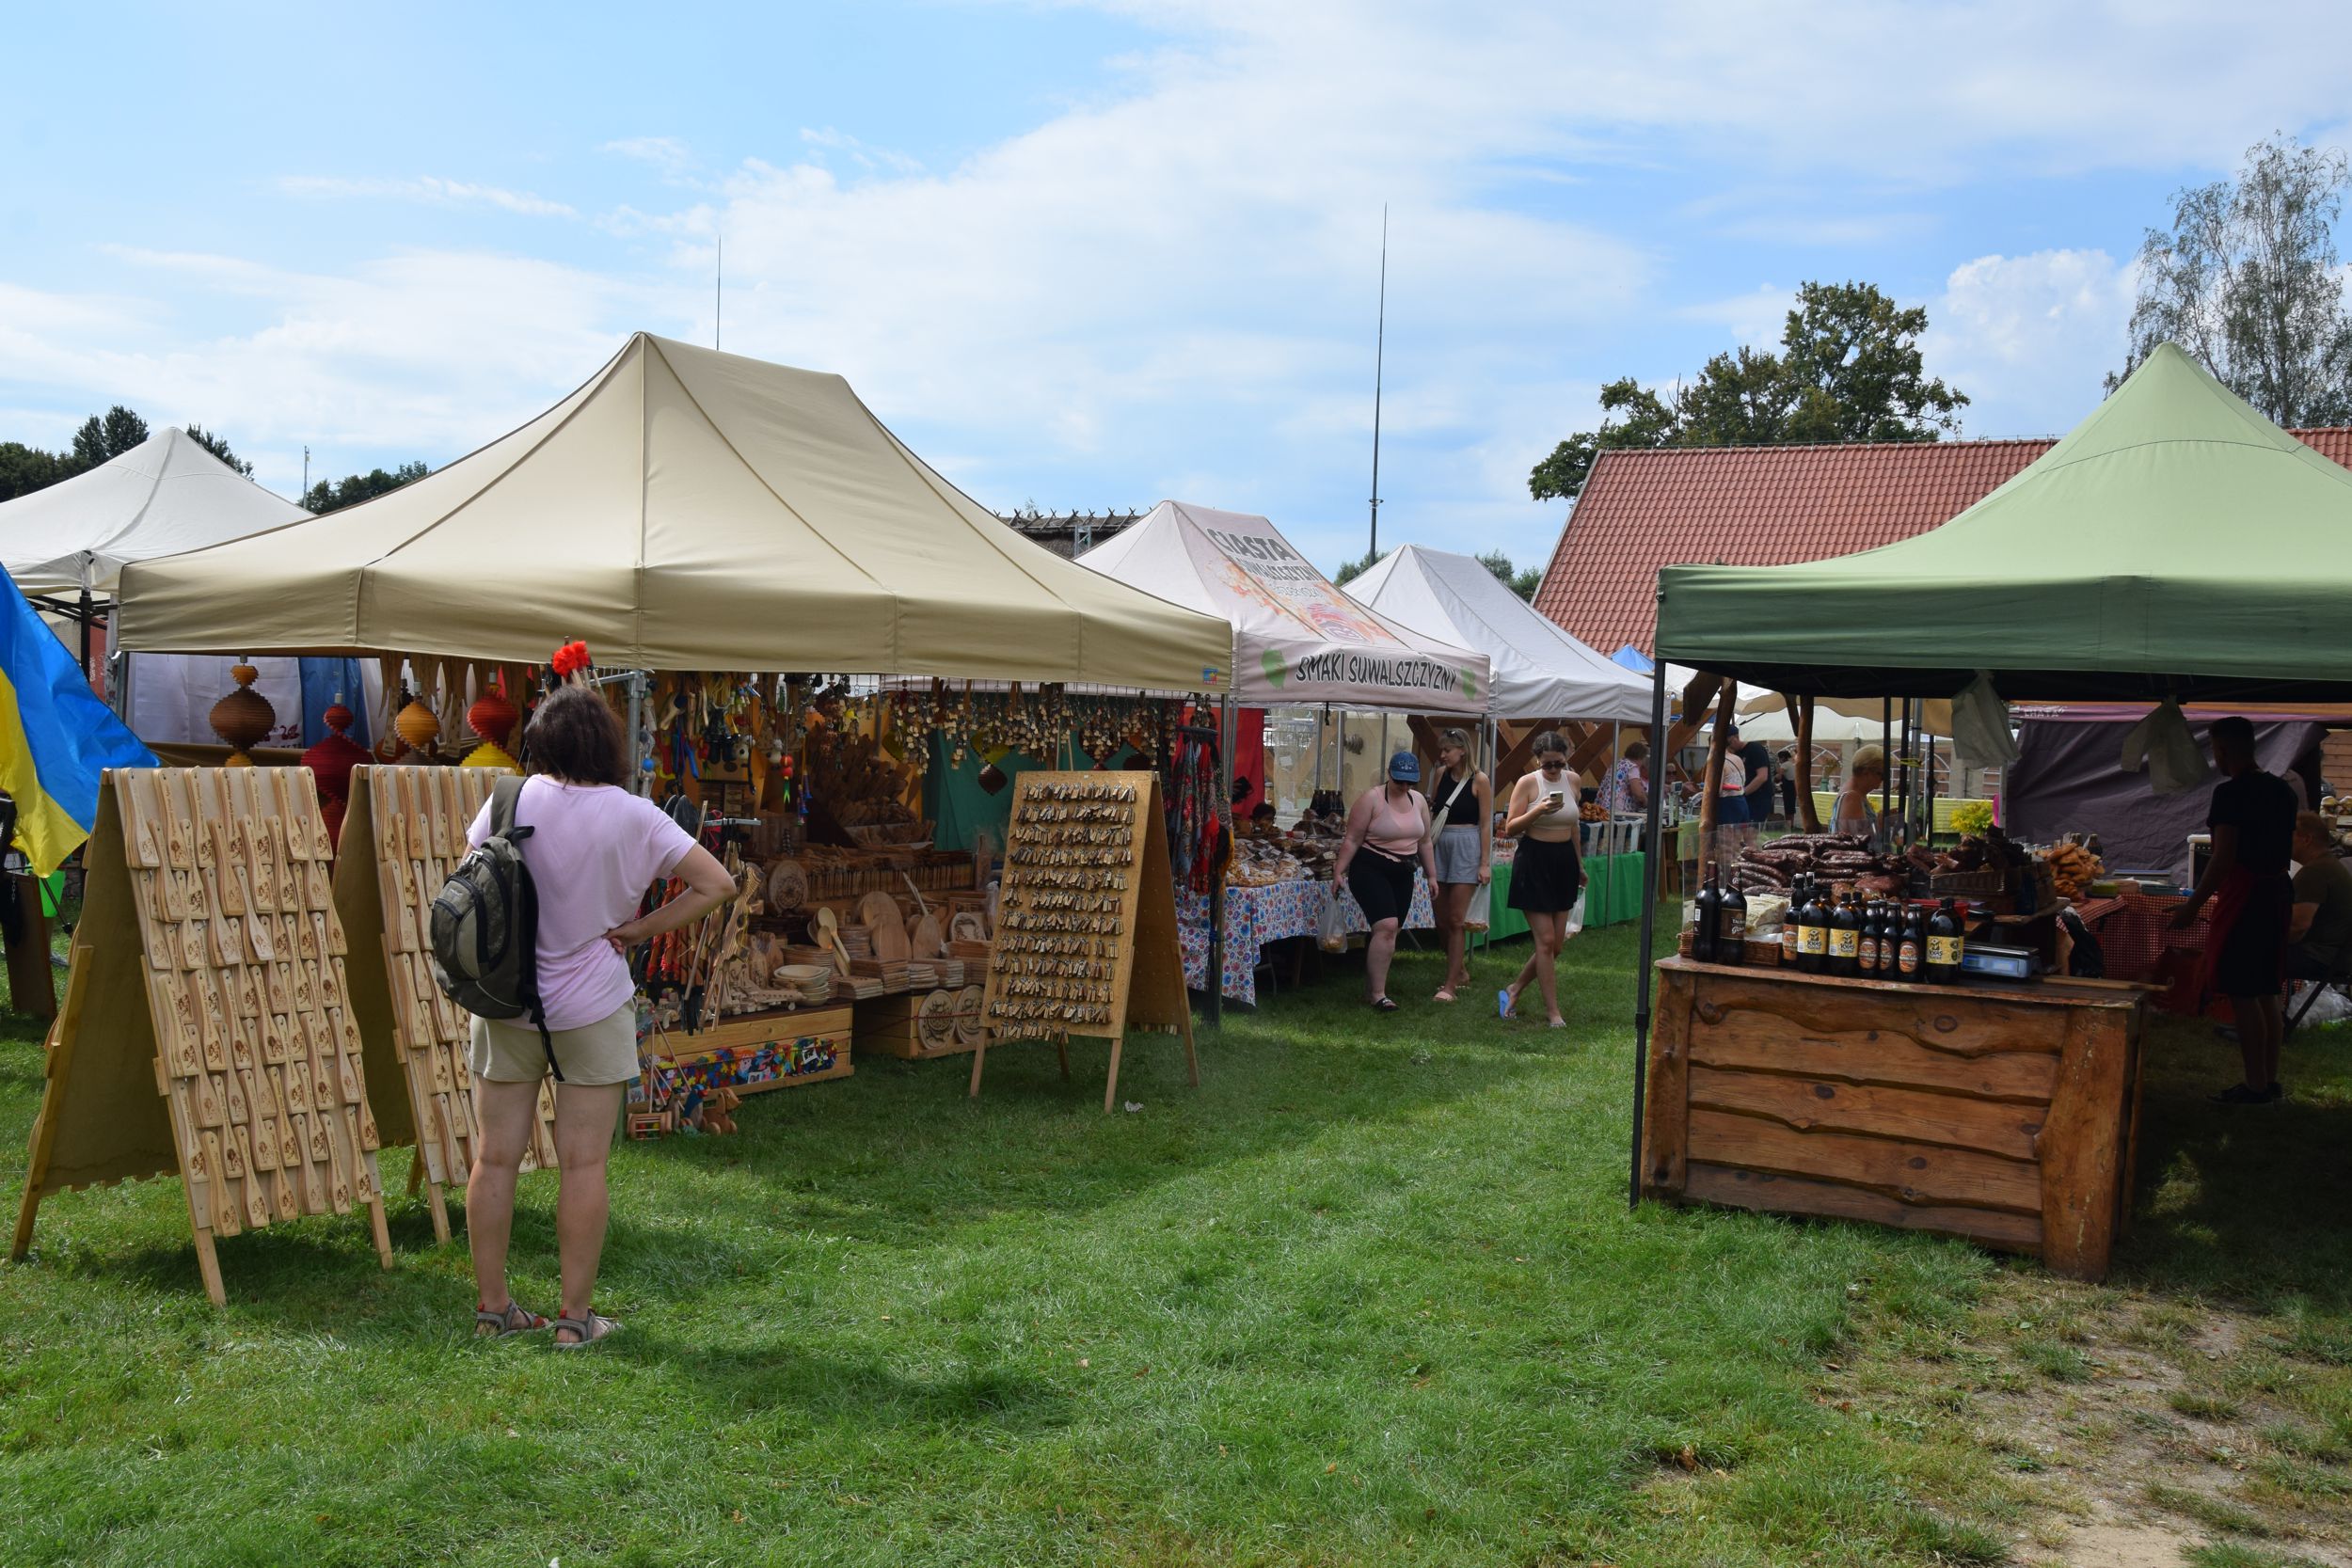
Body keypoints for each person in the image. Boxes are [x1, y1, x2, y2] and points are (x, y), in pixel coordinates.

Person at [464, 685, 738, 1345]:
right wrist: (642, 927)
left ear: (543, 740)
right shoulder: (633, 814)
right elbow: (717, 884)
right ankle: (573, 1320)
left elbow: (474, 877)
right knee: (583, 1163)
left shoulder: (510, 797)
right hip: (590, 1003)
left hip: (506, 1000)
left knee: (495, 1158)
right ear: (606, 743)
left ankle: (494, 1309)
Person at [2172, 717, 2297, 1104]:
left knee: (2244, 991)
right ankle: (2269, 1081)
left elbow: (2223, 858)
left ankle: (2255, 1086)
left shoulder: (2230, 795)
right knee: (2266, 990)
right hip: (2278, 891)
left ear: (2222, 750)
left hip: (2247, 897)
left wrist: (2192, 907)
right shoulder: (2284, 791)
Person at [1333, 751, 1438, 1012]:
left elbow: (1424, 841)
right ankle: (1379, 995)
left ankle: (1371, 987)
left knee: (1390, 931)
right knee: (1387, 925)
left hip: (1404, 871)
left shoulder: (1419, 802)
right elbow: (1353, 839)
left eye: (1409, 783)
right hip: (1370, 867)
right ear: (1389, 774)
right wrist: (1339, 871)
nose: (1404, 787)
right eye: (1399, 781)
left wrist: (1431, 874)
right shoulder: (1372, 799)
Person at [1499, 730, 1584, 1028]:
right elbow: (1510, 828)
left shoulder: (1572, 781)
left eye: (1558, 764)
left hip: (1563, 862)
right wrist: (1538, 811)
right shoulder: (1527, 783)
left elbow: (1574, 827)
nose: (1553, 770)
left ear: (1565, 760)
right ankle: (1553, 1013)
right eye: (1547, 764)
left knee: (1556, 946)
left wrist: (1580, 864)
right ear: (1537, 760)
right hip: (1534, 860)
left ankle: (1516, 987)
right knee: (1545, 941)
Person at [1424, 727, 1492, 1004]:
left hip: (1466, 845)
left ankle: (1450, 984)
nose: (1442, 755)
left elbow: (1487, 822)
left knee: (1455, 919)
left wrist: (1485, 862)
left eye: (1447, 750)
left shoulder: (1480, 780)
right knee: (1440, 918)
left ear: (1462, 750)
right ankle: (1459, 970)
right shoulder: (1440, 775)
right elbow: (1432, 809)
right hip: (1441, 843)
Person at [2287, 810, 2352, 982]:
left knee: (2246, 959)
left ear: (2306, 839)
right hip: (2336, 957)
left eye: (2288, 835)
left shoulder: (2314, 872)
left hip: (2319, 958)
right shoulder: (2328, 865)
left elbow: (2298, 927)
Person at [1732, 724, 1774, 842]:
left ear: (1736, 737)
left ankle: (1753, 855)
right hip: (1746, 799)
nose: (1730, 746)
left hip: (1759, 798)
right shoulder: (1738, 753)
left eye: (1729, 742)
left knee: (1750, 834)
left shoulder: (1755, 749)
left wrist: (1743, 792)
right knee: (1742, 834)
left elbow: (1762, 776)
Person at [1834, 745, 1885, 841]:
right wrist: (1879, 824)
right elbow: (1855, 841)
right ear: (1866, 772)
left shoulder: (1856, 794)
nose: (1883, 779)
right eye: (1881, 774)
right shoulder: (1852, 797)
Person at [1599, 741, 1649, 816]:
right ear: (1641, 757)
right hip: (1619, 810)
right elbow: (1637, 792)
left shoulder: (1618, 764)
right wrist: (1646, 801)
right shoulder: (1632, 768)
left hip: (1604, 806)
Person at [1776, 749, 1799, 823]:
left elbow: (1779, 776)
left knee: (1788, 806)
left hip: (1788, 787)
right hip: (1793, 786)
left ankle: (1788, 824)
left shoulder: (1784, 765)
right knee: (1791, 806)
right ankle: (1791, 824)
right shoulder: (1790, 763)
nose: (1778, 760)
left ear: (1782, 758)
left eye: (1779, 758)